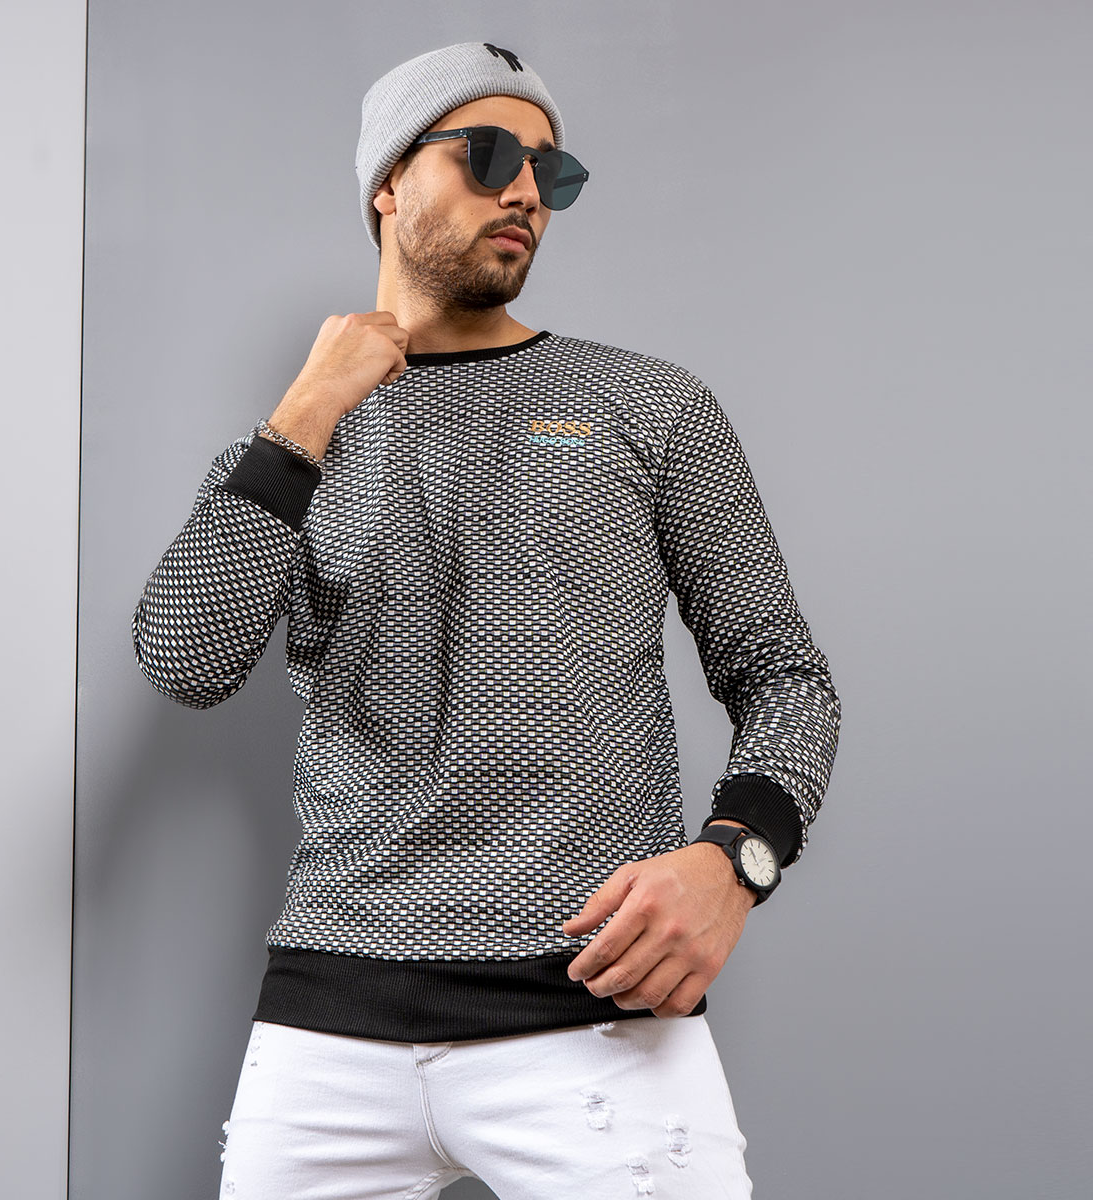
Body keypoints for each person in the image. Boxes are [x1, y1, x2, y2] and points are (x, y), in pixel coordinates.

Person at [132, 39, 841, 1200]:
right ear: (388, 183)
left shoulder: (651, 407)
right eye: (491, 155)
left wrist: (736, 861)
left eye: (551, 173)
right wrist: (307, 410)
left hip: (596, 1021)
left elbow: (785, 678)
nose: (526, 193)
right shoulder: (295, 446)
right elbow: (184, 660)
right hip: (330, 1027)